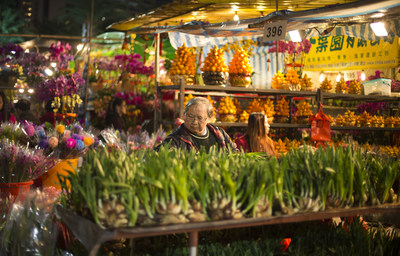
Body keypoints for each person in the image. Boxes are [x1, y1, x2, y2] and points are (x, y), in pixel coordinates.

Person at [157, 97, 237, 152]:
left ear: (209, 118)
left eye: (199, 118)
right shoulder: (176, 139)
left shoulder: (219, 133)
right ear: (184, 115)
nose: (194, 122)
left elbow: (235, 153)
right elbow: (158, 154)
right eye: (190, 116)